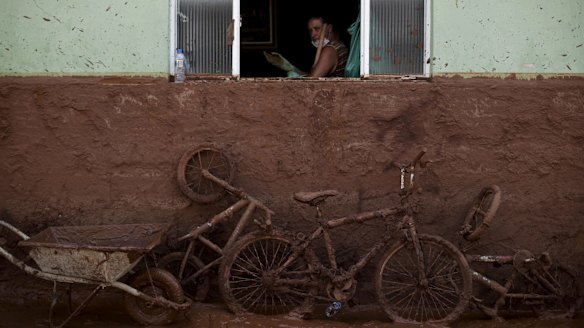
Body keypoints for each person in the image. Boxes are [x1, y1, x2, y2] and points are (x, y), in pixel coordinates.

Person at [264, 16, 348, 78]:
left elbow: (311, 82)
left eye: (317, 29)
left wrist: (295, 76)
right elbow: (314, 75)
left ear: (329, 28)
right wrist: (289, 67)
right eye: (310, 30)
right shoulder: (339, 45)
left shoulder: (330, 50)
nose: (312, 34)